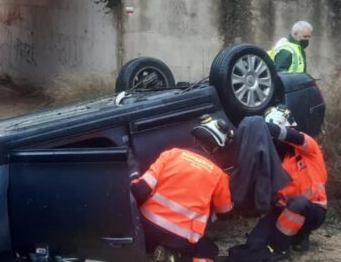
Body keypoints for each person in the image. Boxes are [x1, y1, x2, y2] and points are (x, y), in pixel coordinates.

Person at [132, 116, 235, 262]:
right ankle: (174, 256)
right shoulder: (218, 175)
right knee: (211, 250)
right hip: (181, 238)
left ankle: (160, 249)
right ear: (217, 149)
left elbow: (140, 190)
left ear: (195, 139)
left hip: (147, 228)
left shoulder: (170, 155)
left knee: (154, 241)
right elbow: (224, 213)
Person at [243, 107, 327, 259]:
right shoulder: (275, 160)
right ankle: (294, 238)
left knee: (298, 203)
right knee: (254, 242)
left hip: (313, 209)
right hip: (282, 210)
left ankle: (281, 246)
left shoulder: (309, 149)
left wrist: (266, 127)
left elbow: (295, 137)